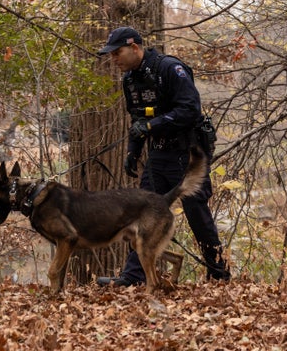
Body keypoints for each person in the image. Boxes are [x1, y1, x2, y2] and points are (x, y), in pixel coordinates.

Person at [96, 26, 231, 286]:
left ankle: (219, 276)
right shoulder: (130, 80)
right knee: (142, 212)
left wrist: (151, 126)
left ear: (134, 47)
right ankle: (133, 277)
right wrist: (133, 152)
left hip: (188, 154)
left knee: (197, 215)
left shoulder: (170, 69)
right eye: (110, 55)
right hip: (158, 154)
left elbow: (190, 109)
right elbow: (137, 118)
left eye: (117, 52)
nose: (113, 59)